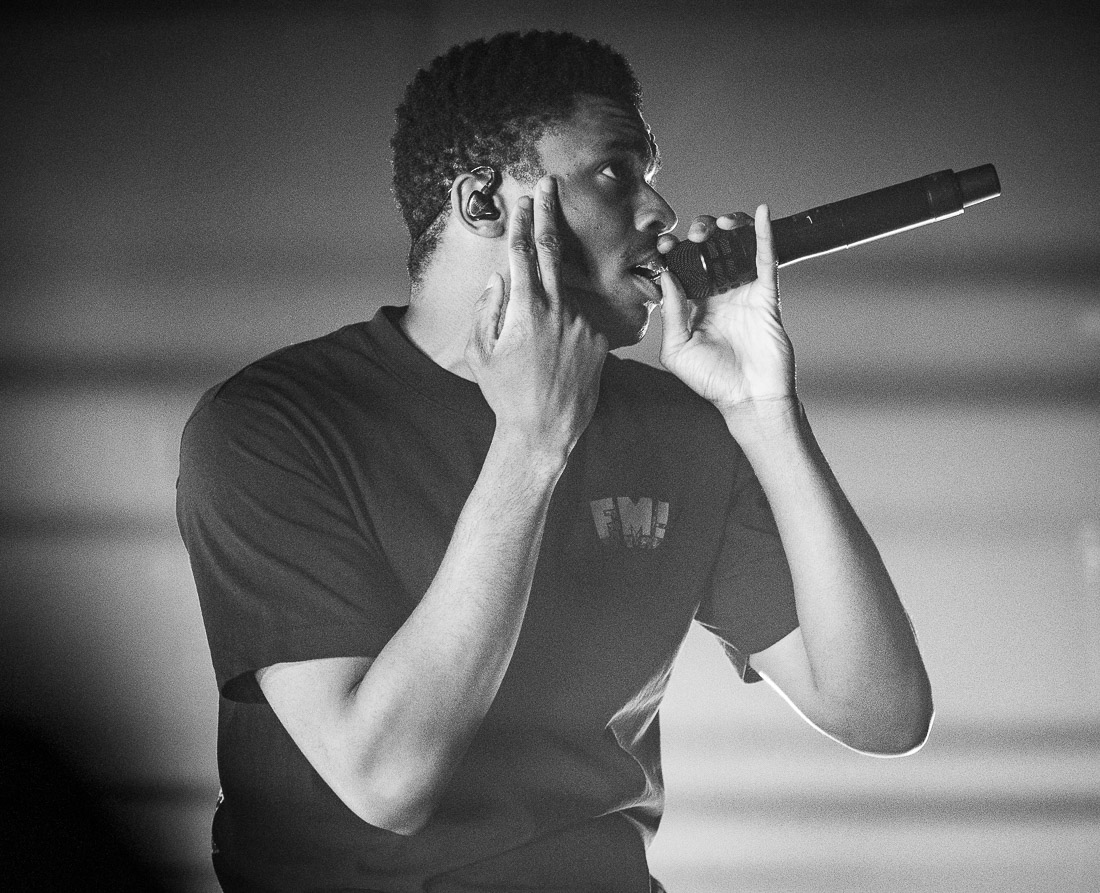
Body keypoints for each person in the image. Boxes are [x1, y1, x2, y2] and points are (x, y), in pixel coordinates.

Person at [176, 30, 933, 892]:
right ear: (483, 203)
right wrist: (533, 444)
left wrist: (764, 415)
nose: (660, 211)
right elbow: (386, 779)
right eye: (616, 172)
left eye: (649, 174)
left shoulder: (680, 430)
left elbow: (883, 711)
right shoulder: (272, 425)